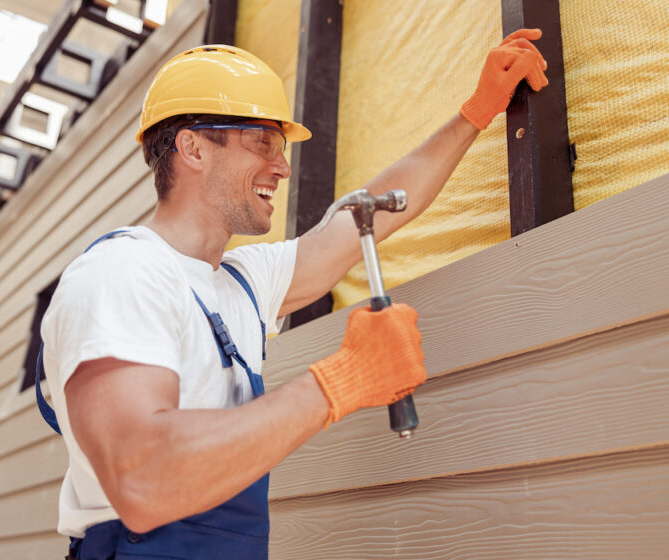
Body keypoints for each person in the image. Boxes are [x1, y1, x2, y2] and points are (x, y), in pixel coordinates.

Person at [39, 29, 548, 559]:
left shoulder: (238, 282)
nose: (281, 166)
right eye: (262, 142)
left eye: (280, 148)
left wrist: (475, 112)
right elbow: (143, 480)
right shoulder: (122, 273)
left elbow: (370, 213)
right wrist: (343, 380)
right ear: (192, 147)